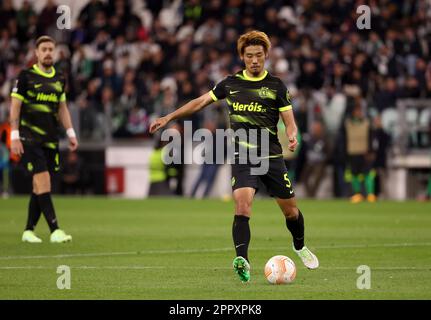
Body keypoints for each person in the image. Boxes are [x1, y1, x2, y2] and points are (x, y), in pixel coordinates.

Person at [150, 30, 319, 283]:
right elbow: (199, 102)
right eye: (249, 55)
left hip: (271, 156)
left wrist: (293, 135)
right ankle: (243, 261)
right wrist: (169, 117)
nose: (254, 60)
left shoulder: (276, 86)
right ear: (242, 56)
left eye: (259, 55)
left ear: (266, 56)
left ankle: (299, 245)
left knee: (291, 212)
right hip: (243, 156)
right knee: (242, 206)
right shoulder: (230, 83)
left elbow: (289, 121)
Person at [10, 35, 78, 243]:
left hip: (51, 140)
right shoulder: (25, 77)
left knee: (39, 187)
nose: (48, 52)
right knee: (43, 181)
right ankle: (55, 230)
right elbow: (15, 107)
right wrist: (14, 136)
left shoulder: (59, 79)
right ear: (36, 53)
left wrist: (71, 132)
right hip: (30, 139)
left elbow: (62, 108)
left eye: (51, 49)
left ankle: (28, 230)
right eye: (44, 49)